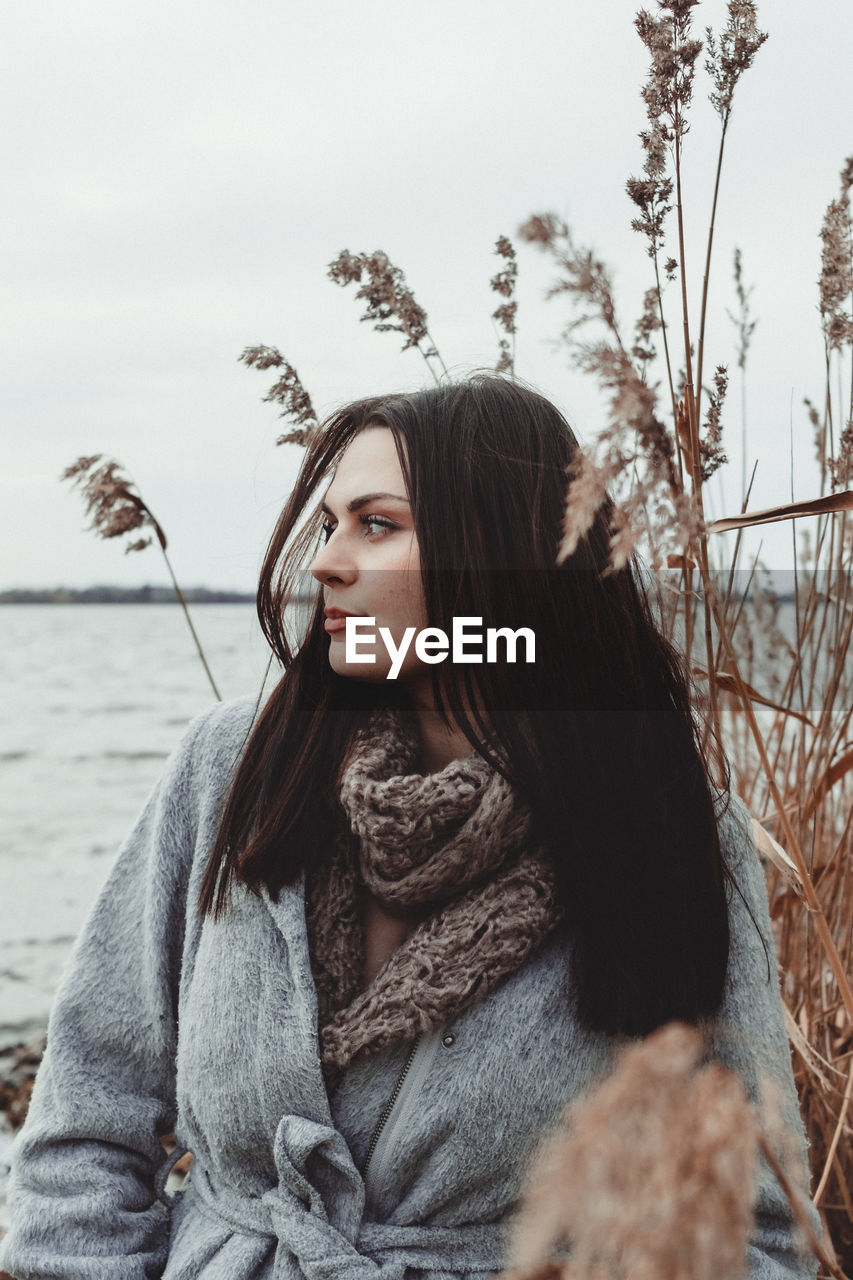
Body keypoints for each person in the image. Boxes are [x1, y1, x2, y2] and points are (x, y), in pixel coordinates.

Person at [1, 375, 819, 1280]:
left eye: (376, 524)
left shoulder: (666, 820)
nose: (326, 561)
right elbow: (84, 1121)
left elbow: (747, 1229)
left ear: (495, 552)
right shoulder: (232, 768)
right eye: (327, 525)